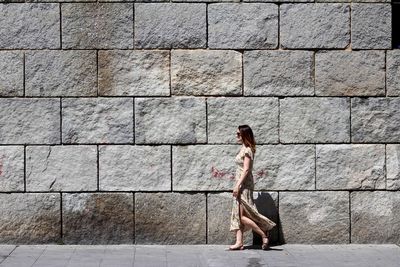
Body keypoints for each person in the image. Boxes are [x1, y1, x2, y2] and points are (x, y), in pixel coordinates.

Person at [229, 125, 276, 250]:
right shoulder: (243, 148)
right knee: (238, 214)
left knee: (242, 216)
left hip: (244, 185)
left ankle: (263, 234)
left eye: (238, 134)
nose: (236, 136)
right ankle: (239, 242)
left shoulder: (248, 150)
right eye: (236, 133)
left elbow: (246, 170)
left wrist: (238, 185)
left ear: (245, 135)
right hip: (240, 184)